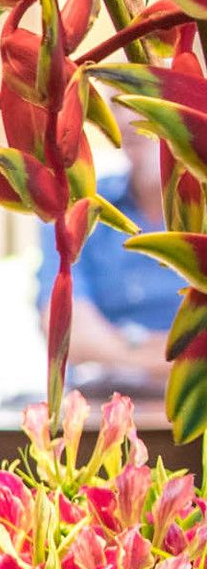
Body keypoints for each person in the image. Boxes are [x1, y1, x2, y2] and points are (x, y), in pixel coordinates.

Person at [42, 117, 183, 394]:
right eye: (116, 102)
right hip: (103, 400)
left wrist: (119, 348)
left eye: (145, 101)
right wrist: (179, 358)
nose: (127, 118)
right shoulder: (79, 204)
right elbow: (67, 330)